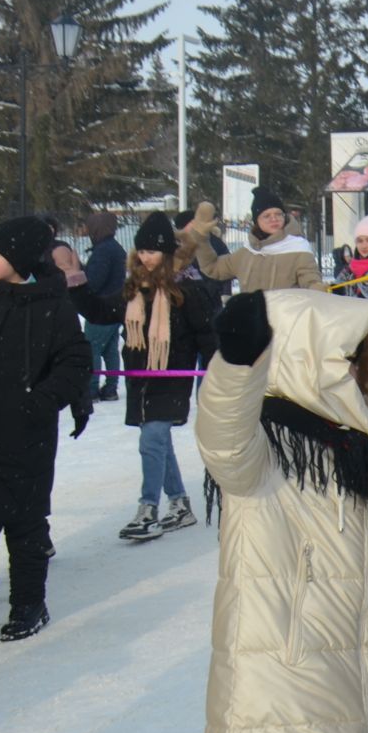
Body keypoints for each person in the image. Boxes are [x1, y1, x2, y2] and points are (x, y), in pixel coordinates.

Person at [197, 290, 368, 733]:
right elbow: (222, 437)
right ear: (307, 361)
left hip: (348, 688)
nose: (359, 375)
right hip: (270, 695)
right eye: (347, 362)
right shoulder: (263, 454)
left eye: (362, 363)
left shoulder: (352, 462)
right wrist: (237, 363)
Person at [0, 218, 91, 643]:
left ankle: (28, 606)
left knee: (23, 527)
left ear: (18, 259)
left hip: (25, 435)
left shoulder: (50, 304)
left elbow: (75, 361)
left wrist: (39, 403)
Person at [114, 212, 217, 543]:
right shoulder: (135, 288)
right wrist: (76, 283)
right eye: (141, 251)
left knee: (152, 439)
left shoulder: (186, 288)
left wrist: (215, 369)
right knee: (159, 440)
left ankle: (148, 509)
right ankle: (180, 503)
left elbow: (206, 334)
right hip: (141, 376)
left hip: (173, 374)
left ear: (168, 253)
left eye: (152, 251)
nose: (145, 257)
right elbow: (104, 311)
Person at [184, 188, 325, 293]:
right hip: (253, 329)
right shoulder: (247, 252)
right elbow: (213, 268)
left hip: (287, 327)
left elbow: (311, 281)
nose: (274, 219)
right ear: (256, 220)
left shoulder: (298, 249)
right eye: (267, 216)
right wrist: (201, 238)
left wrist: (317, 288)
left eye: (278, 214)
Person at [82, 209, 126, 402]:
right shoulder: (115, 248)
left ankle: (91, 389)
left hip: (100, 307)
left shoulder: (102, 251)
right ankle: (111, 387)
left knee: (91, 348)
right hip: (116, 305)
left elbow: (95, 281)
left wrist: (81, 274)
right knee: (110, 348)